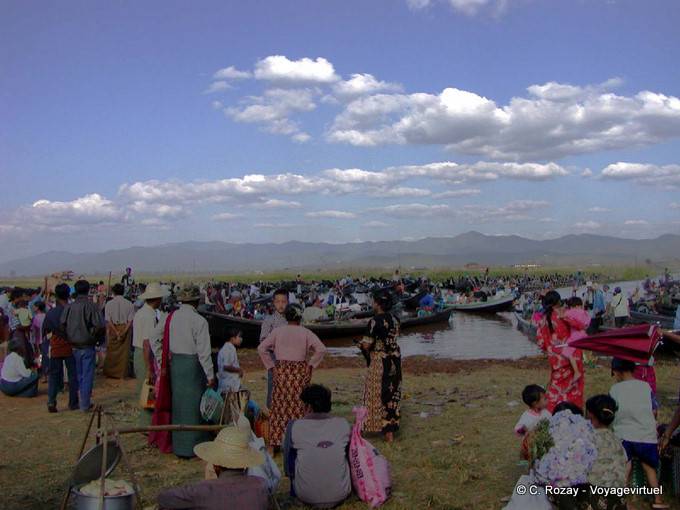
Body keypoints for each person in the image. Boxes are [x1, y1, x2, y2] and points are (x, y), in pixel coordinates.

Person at [257, 304, 327, 449]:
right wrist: (311, 365)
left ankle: (275, 443)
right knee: (300, 406)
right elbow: (321, 349)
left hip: (281, 371)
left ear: (285, 317)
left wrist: (271, 367)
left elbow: (261, 348)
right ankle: (299, 440)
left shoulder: (278, 331)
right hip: (299, 373)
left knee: (278, 407)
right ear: (300, 317)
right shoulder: (305, 332)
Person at [158, 286, 215, 458]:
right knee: (195, 406)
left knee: (179, 404)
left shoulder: (171, 317)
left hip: (176, 365)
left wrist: (161, 358)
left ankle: (180, 445)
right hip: (192, 366)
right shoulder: (199, 321)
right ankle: (194, 446)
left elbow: (154, 336)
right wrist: (210, 375)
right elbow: (204, 352)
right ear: (197, 301)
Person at [157, 423, 268, 510]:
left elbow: (164, 498)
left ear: (216, 466)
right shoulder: (260, 485)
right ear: (245, 465)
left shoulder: (203, 490)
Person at [609, 357, 667, 509]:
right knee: (649, 468)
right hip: (645, 435)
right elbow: (654, 410)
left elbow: (611, 412)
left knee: (625, 467)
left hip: (623, 435)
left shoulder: (615, 389)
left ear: (618, 372)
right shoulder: (645, 386)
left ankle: (620, 500)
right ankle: (658, 500)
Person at [283, 384, 351, 508]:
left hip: (304, 495)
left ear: (308, 406)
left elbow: (288, 466)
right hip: (341, 493)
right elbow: (349, 457)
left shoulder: (294, 426)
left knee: (293, 453)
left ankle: (293, 493)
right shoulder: (343, 424)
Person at [359, 292, 402, 442]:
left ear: (378, 304)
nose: (372, 303)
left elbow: (366, 344)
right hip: (395, 361)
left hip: (379, 361)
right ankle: (389, 431)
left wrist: (362, 346)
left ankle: (368, 427)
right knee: (391, 394)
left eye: (373, 301)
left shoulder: (374, 321)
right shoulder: (395, 319)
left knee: (374, 393)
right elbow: (393, 339)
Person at [534, 291, 584, 413]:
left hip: (556, 361)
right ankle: (575, 418)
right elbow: (580, 326)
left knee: (556, 390)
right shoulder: (564, 315)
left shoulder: (542, 321)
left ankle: (553, 417)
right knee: (574, 391)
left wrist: (552, 349)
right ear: (558, 301)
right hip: (572, 360)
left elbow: (541, 343)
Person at [61, 280, 105, 412]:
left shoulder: (69, 307)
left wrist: (69, 336)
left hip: (73, 346)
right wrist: (93, 336)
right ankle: (84, 404)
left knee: (77, 375)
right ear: (88, 290)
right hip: (87, 346)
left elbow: (61, 325)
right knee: (87, 376)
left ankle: (79, 402)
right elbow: (99, 326)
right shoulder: (91, 306)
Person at [132, 282, 168, 426]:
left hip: (141, 352)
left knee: (145, 389)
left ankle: (147, 424)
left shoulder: (142, 312)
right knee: (149, 391)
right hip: (145, 354)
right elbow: (147, 343)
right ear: (158, 299)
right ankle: (148, 426)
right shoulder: (149, 316)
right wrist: (149, 369)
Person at [585, 394, 628, 510]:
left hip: (597, 491)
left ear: (590, 414)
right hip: (618, 492)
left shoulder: (588, 438)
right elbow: (626, 461)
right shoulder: (616, 439)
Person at [43, 283, 79, 412]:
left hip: (56, 347)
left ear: (56, 296)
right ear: (68, 295)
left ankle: (51, 402)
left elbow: (45, 331)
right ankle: (73, 403)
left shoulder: (51, 313)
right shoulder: (72, 310)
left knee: (54, 376)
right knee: (73, 376)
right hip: (71, 347)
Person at [259, 288, 289, 408]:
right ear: (273, 302)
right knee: (273, 384)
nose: (281, 305)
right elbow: (263, 341)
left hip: (289, 357)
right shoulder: (269, 320)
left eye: (283, 302)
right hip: (274, 357)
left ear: (288, 302)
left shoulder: (290, 320)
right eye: (278, 302)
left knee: (288, 385)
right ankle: (272, 410)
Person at [103, 283, 135, 379]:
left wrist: (116, 332)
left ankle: (111, 373)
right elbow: (130, 321)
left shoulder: (109, 304)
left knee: (111, 351)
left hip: (113, 328)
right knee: (124, 353)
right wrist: (124, 331)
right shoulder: (129, 304)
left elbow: (108, 320)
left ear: (113, 292)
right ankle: (122, 374)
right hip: (125, 327)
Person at [514, 384, 550, 458]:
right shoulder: (527, 416)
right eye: (544, 399)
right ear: (535, 403)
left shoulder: (546, 413)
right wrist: (524, 430)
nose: (547, 400)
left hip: (544, 445)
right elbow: (517, 430)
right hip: (531, 448)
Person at [217, 328, 243, 395]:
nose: (241, 339)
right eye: (239, 337)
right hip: (229, 385)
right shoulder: (228, 349)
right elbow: (226, 366)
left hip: (229, 383)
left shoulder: (230, 348)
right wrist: (239, 370)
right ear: (232, 338)